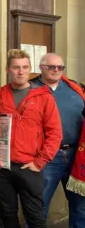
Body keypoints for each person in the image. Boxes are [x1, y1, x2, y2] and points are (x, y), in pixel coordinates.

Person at [0, 49, 62, 228]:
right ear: (8, 69)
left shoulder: (43, 97)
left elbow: (55, 133)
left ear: (30, 69)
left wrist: (40, 162)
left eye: (25, 67)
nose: (21, 72)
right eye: (16, 67)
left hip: (29, 167)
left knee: (35, 217)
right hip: (2, 166)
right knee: (7, 215)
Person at [29, 53, 85, 226]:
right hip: (46, 156)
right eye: (51, 67)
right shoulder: (29, 89)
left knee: (80, 207)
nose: (56, 70)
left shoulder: (75, 89)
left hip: (76, 154)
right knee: (39, 206)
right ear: (41, 67)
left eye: (60, 67)